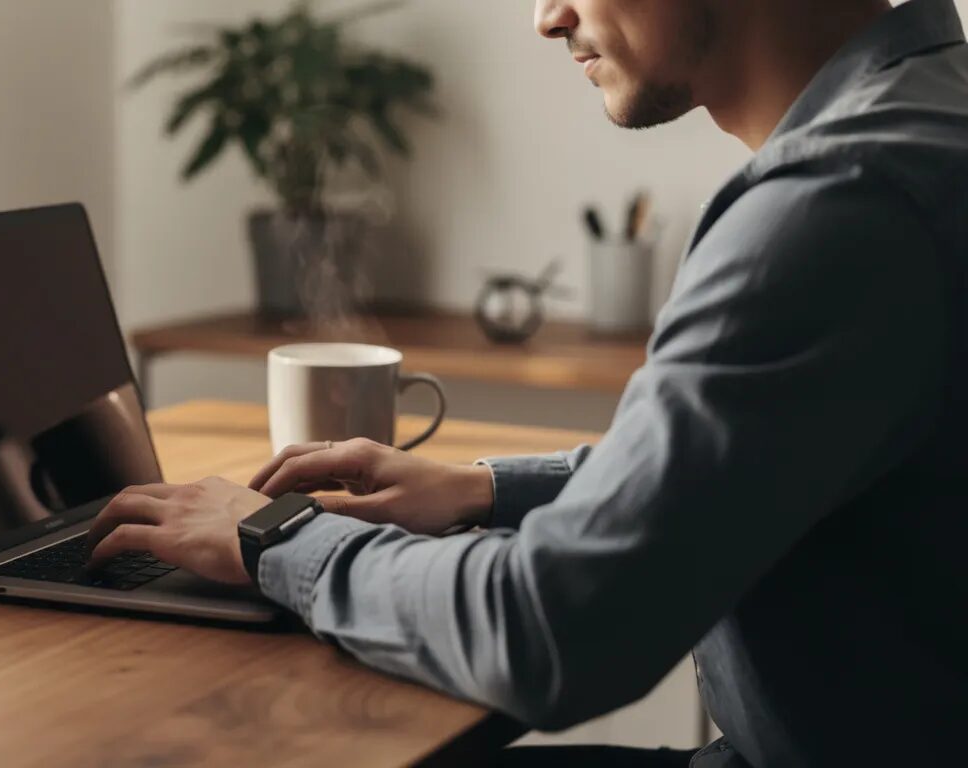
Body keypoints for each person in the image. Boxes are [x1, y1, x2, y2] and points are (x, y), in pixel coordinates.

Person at [88, 1, 968, 765]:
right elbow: (758, 458)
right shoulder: (926, 109)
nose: (546, 17)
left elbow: (550, 631)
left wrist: (273, 540)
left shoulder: (835, 204)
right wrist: (483, 489)